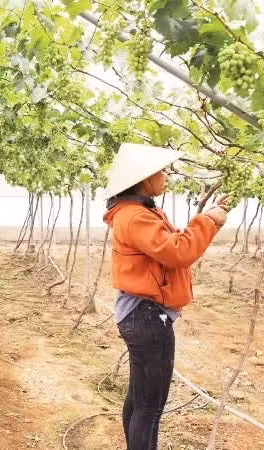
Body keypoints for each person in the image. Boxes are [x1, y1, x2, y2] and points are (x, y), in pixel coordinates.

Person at [102, 143, 230, 450]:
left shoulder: (136, 213)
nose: (166, 174)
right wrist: (209, 221)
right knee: (149, 406)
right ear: (144, 178)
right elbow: (178, 252)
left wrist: (206, 220)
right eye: (161, 170)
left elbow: (168, 246)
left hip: (140, 315)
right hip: (147, 318)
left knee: (139, 399)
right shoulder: (135, 217)